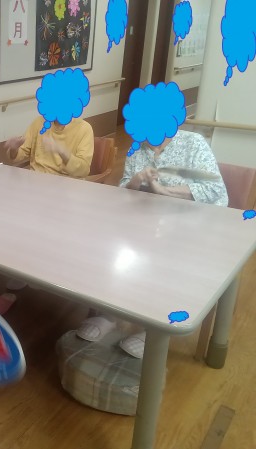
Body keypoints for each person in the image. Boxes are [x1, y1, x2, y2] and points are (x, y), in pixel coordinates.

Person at [76, 130, 228, 358]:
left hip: (194, 225)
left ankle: (155, 328)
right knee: (113, 247)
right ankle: (110, 313)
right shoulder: (137, 147)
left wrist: (165, 192)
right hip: (148, 221)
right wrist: (136, 181)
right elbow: (124, 189)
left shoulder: (193, 142)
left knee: (168, 259)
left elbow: (214, 188)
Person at [4, 116, 94, 178]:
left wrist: (62, 152)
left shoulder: (84, 128)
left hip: (66, 185)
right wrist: (14, 149)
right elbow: (18, 155)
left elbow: (84, 170)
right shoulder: (39, 122)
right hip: (35, 181)